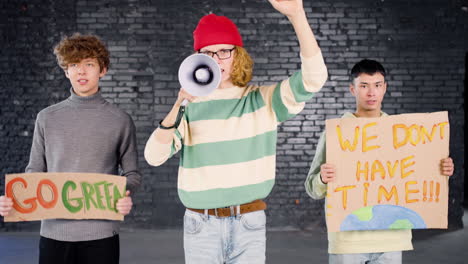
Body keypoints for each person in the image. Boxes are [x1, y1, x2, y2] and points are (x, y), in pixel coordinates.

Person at [144, 0, 328, 262]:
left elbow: (314, 78)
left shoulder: (262, 101)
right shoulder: (189, 108)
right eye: (208, 53)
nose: (216, 60)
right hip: (201, 224)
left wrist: (297, 15)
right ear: (197, 59)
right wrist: (178, 104)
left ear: (237, 55)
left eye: (223, 52)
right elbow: (154, 156)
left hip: (248, 223)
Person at [0, 33, 141, 264]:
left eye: (89, 64)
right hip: (54, 234)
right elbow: (34, 170)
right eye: (74, 65)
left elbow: (133, 174)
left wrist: (123, 193)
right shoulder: (46, 118)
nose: (81, 71)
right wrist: (15, 199)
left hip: (102, 234)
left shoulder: (120, 120)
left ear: (102, 70)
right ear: (66, 71)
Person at [304, 59, 455, 264]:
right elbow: (312, 189)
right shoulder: (335, 134)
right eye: (364, 86)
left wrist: (441, 169)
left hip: (390, 241)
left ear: (385, 88)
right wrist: (322, 178)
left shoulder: (405, 135)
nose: (371, 92)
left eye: (377, 85)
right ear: (352, 89)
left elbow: (415, 176)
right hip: (348, 242)